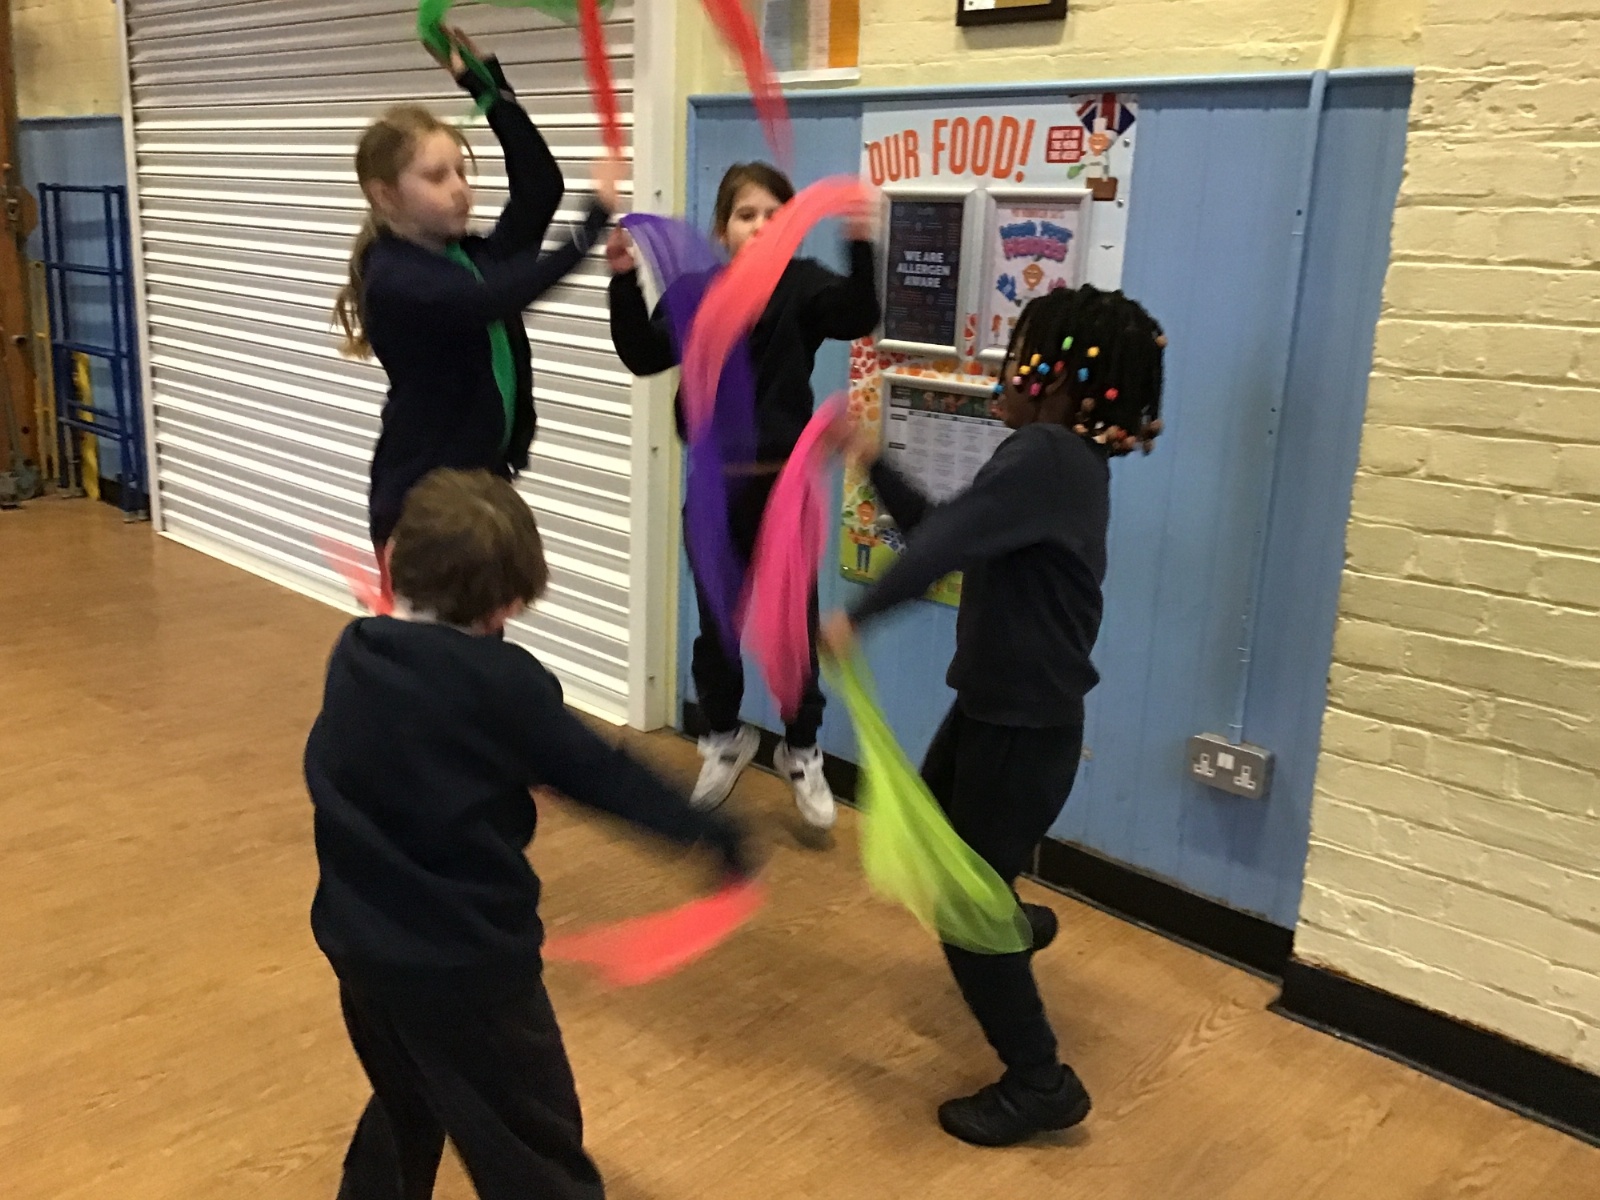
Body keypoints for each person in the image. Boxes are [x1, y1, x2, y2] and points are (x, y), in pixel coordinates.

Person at [305, 469, 754, 1199]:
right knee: (530, 1142)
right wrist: (707, 829)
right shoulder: (503, 685)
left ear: (391, 561)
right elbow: (600, 773)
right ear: (506, 605)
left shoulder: (356, 653)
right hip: (467, 967)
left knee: (408, 1094)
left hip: (359, 949)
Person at [822, 285, 1166, 1147]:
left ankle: (1041, 1082)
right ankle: (1011, 918)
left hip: (1020, 729)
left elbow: (942, 544)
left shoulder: (1045, 455)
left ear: (1063, 384)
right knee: (946, 855)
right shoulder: (1059, 462)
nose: (1005, 371)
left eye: (1022, 357)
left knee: (961, 907)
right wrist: (872, 461)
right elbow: (948, 532)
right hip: (1002, 714)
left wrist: (856, 618)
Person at [606, 162, 881, 829]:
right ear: (722, 230)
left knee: (793, 628)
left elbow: (859, 313)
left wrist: (860, 242)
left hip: (785, 491)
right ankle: (725, 737)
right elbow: (643, 354)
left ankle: (801, 748)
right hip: (715, 487)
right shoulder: (697, 293)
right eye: (745, 214)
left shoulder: (804, 284)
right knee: (718, 625)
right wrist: (621, 280)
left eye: (774, 214)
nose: (760, 226)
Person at [333, 26, 623, 555]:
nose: (460, 189)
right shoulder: (396, 279)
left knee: (495, 612)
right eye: (436, 177)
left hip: (479, 491)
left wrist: (487, 87)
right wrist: (591, 225)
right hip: (421, 508)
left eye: (462, 172)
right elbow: (494, 300)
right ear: (385, 195)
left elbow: (541, 187)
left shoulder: (471, 258)